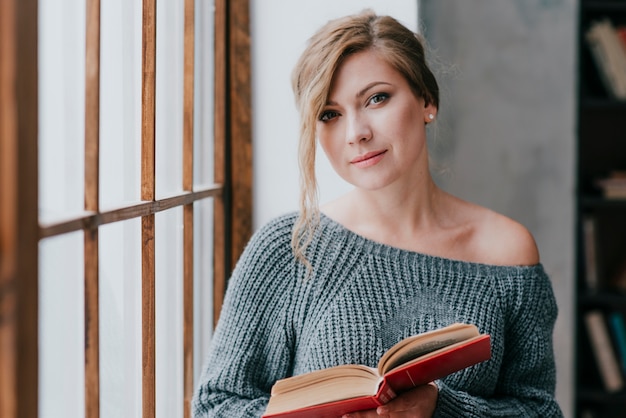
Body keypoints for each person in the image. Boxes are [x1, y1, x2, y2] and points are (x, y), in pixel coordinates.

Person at [192, 9, 563, 418]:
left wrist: (439, 410)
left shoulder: (507, 252)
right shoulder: (289, 248)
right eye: (329, 115)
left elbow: (538, 410)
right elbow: (215, 406)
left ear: (427, 100)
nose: (356, 133)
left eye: (376, 99)